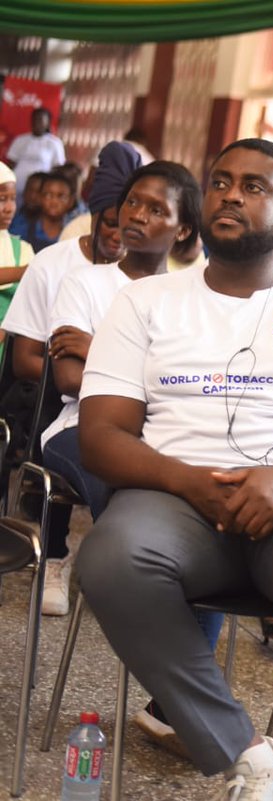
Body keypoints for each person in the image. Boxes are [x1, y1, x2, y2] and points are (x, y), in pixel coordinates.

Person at [74, 138, 273, 801]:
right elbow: (99, 436)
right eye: (220, 182)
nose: (231, 195)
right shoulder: (144, 302)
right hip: (178, 502)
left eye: (254, 187)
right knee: (108, 556)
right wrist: (187, 479)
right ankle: (248, 752)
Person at [43, 160, 221, 756]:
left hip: (166, 439)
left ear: (185, 232)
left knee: (203, 515)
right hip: (83, 430)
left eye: (157, 210)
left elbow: (204, 388)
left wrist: (110, 356)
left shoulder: (195, 297)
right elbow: (71, 380)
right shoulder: (87, 284)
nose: (136, 218)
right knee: (139, 520)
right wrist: (156, 377)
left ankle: (176, 701)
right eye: (133, 204)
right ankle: (183, 694)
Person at [1, 140, 136, 617]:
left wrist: (95, 365)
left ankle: (133, 561)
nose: (120, 236)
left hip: (118, 397)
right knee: (65, 413)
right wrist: (77, 375)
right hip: (48, 393)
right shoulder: (54, 264)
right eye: (112, 224)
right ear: (95, 218)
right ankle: (55, 554)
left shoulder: (150, 282)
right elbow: (24, 360)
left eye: (131, 226)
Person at [0, 162, 35, 335]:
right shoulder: (25, 264)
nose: (9, 208)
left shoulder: (22, 249)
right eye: (2, 199)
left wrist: (5, 329)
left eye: (13, 199)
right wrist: (25, 272)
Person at [10, 170, 74, 252]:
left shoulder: (74, 233)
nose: (54, 202)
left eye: (61, 196)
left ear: (71, 201)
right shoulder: (20, 231)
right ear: (39, 198)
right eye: (48, 195)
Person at [5, 108, 65, 196]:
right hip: (16, 185)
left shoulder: (54, 143)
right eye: (35, 119)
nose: (37, 122)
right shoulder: (20, 139)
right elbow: (10, 164)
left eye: (40, 120)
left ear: (47, 123)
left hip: (39, 190)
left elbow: (58, 168)